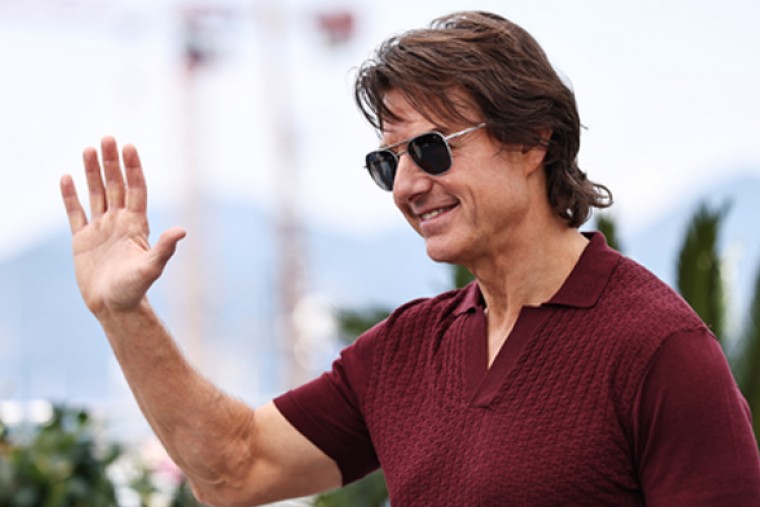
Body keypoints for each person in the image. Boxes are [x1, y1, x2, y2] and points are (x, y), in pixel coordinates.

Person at [60, 10, 760, 506]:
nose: (405, 186)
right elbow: (234, 469)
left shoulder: (658, 349)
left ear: (532, 140)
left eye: (430, 149)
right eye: (386, 161)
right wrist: (124, 313)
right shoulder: (404, 349)